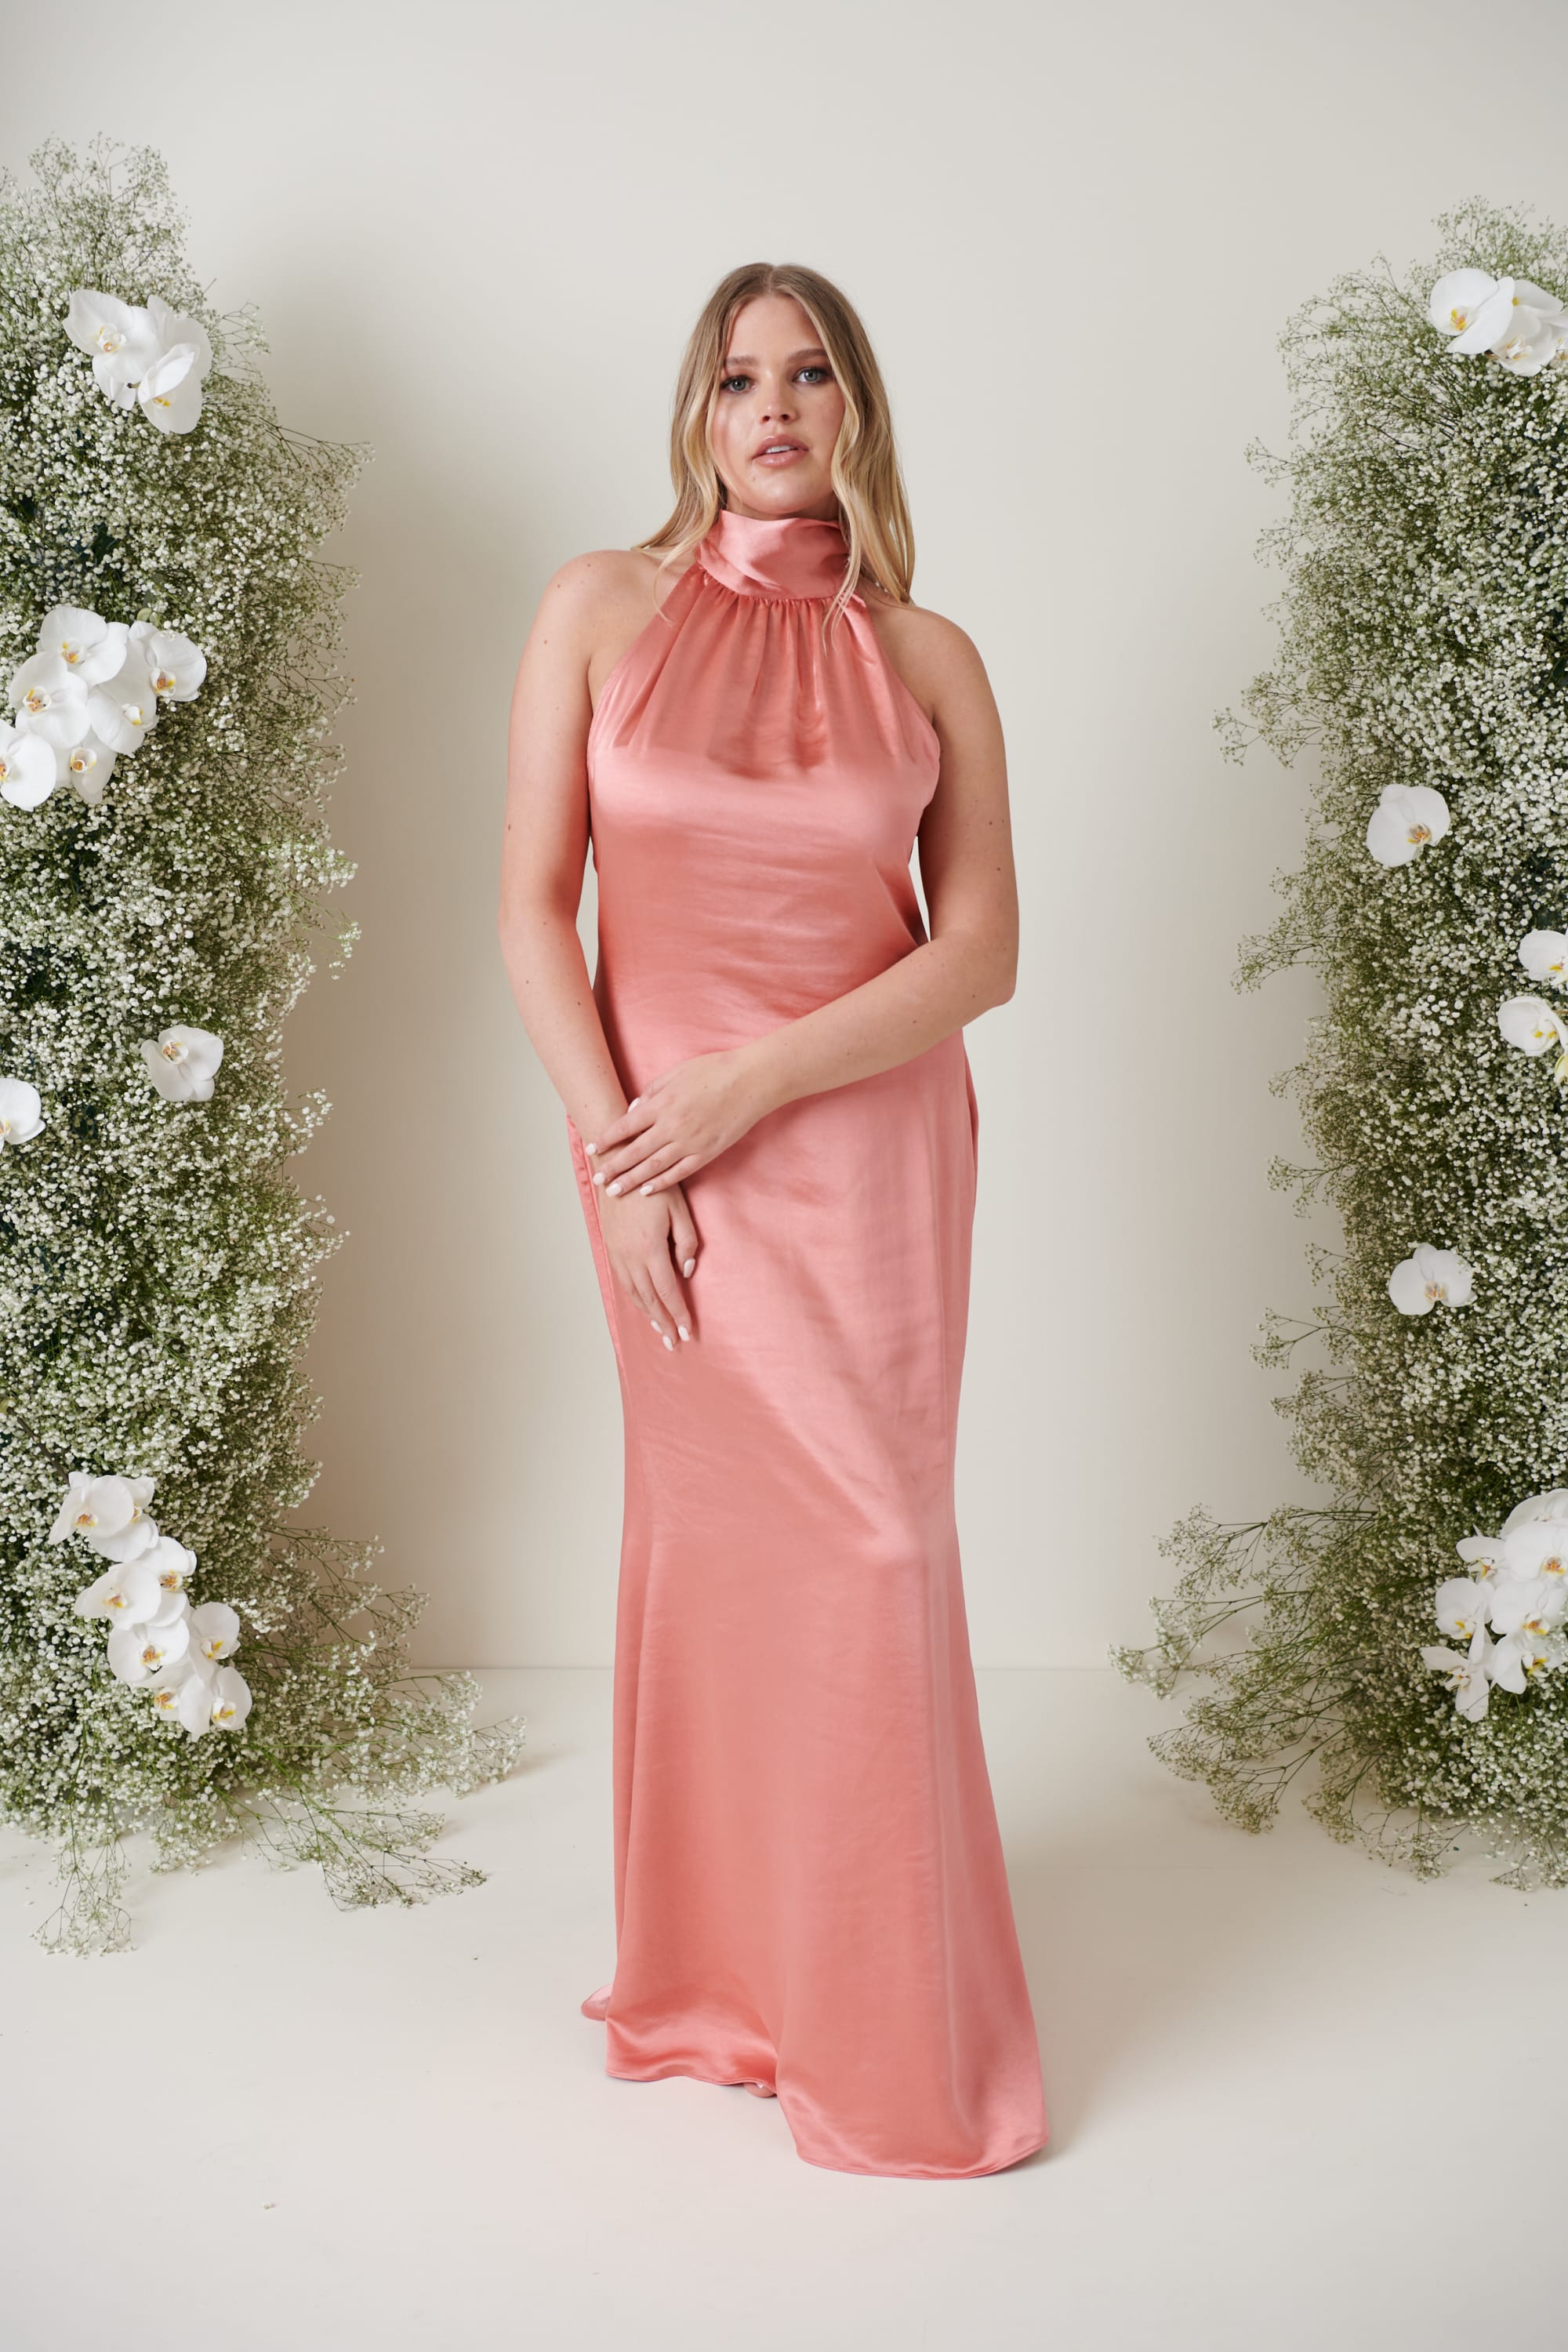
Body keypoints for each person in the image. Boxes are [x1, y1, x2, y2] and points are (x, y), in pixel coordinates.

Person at [497, 261, 1047, 2178]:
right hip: (658, 1164)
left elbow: (980, 952)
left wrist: (749, 1083)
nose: (775, 409)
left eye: (810, 375)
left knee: (877, 1547)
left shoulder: (929, 656)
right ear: (696, 413)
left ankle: (879, 2029)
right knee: (719, 1552)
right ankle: (725, 1989)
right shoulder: (597, 608)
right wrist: (620, 1154)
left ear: (856, 409)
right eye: (739, 380)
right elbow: (530, 912)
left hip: (865, 1153)